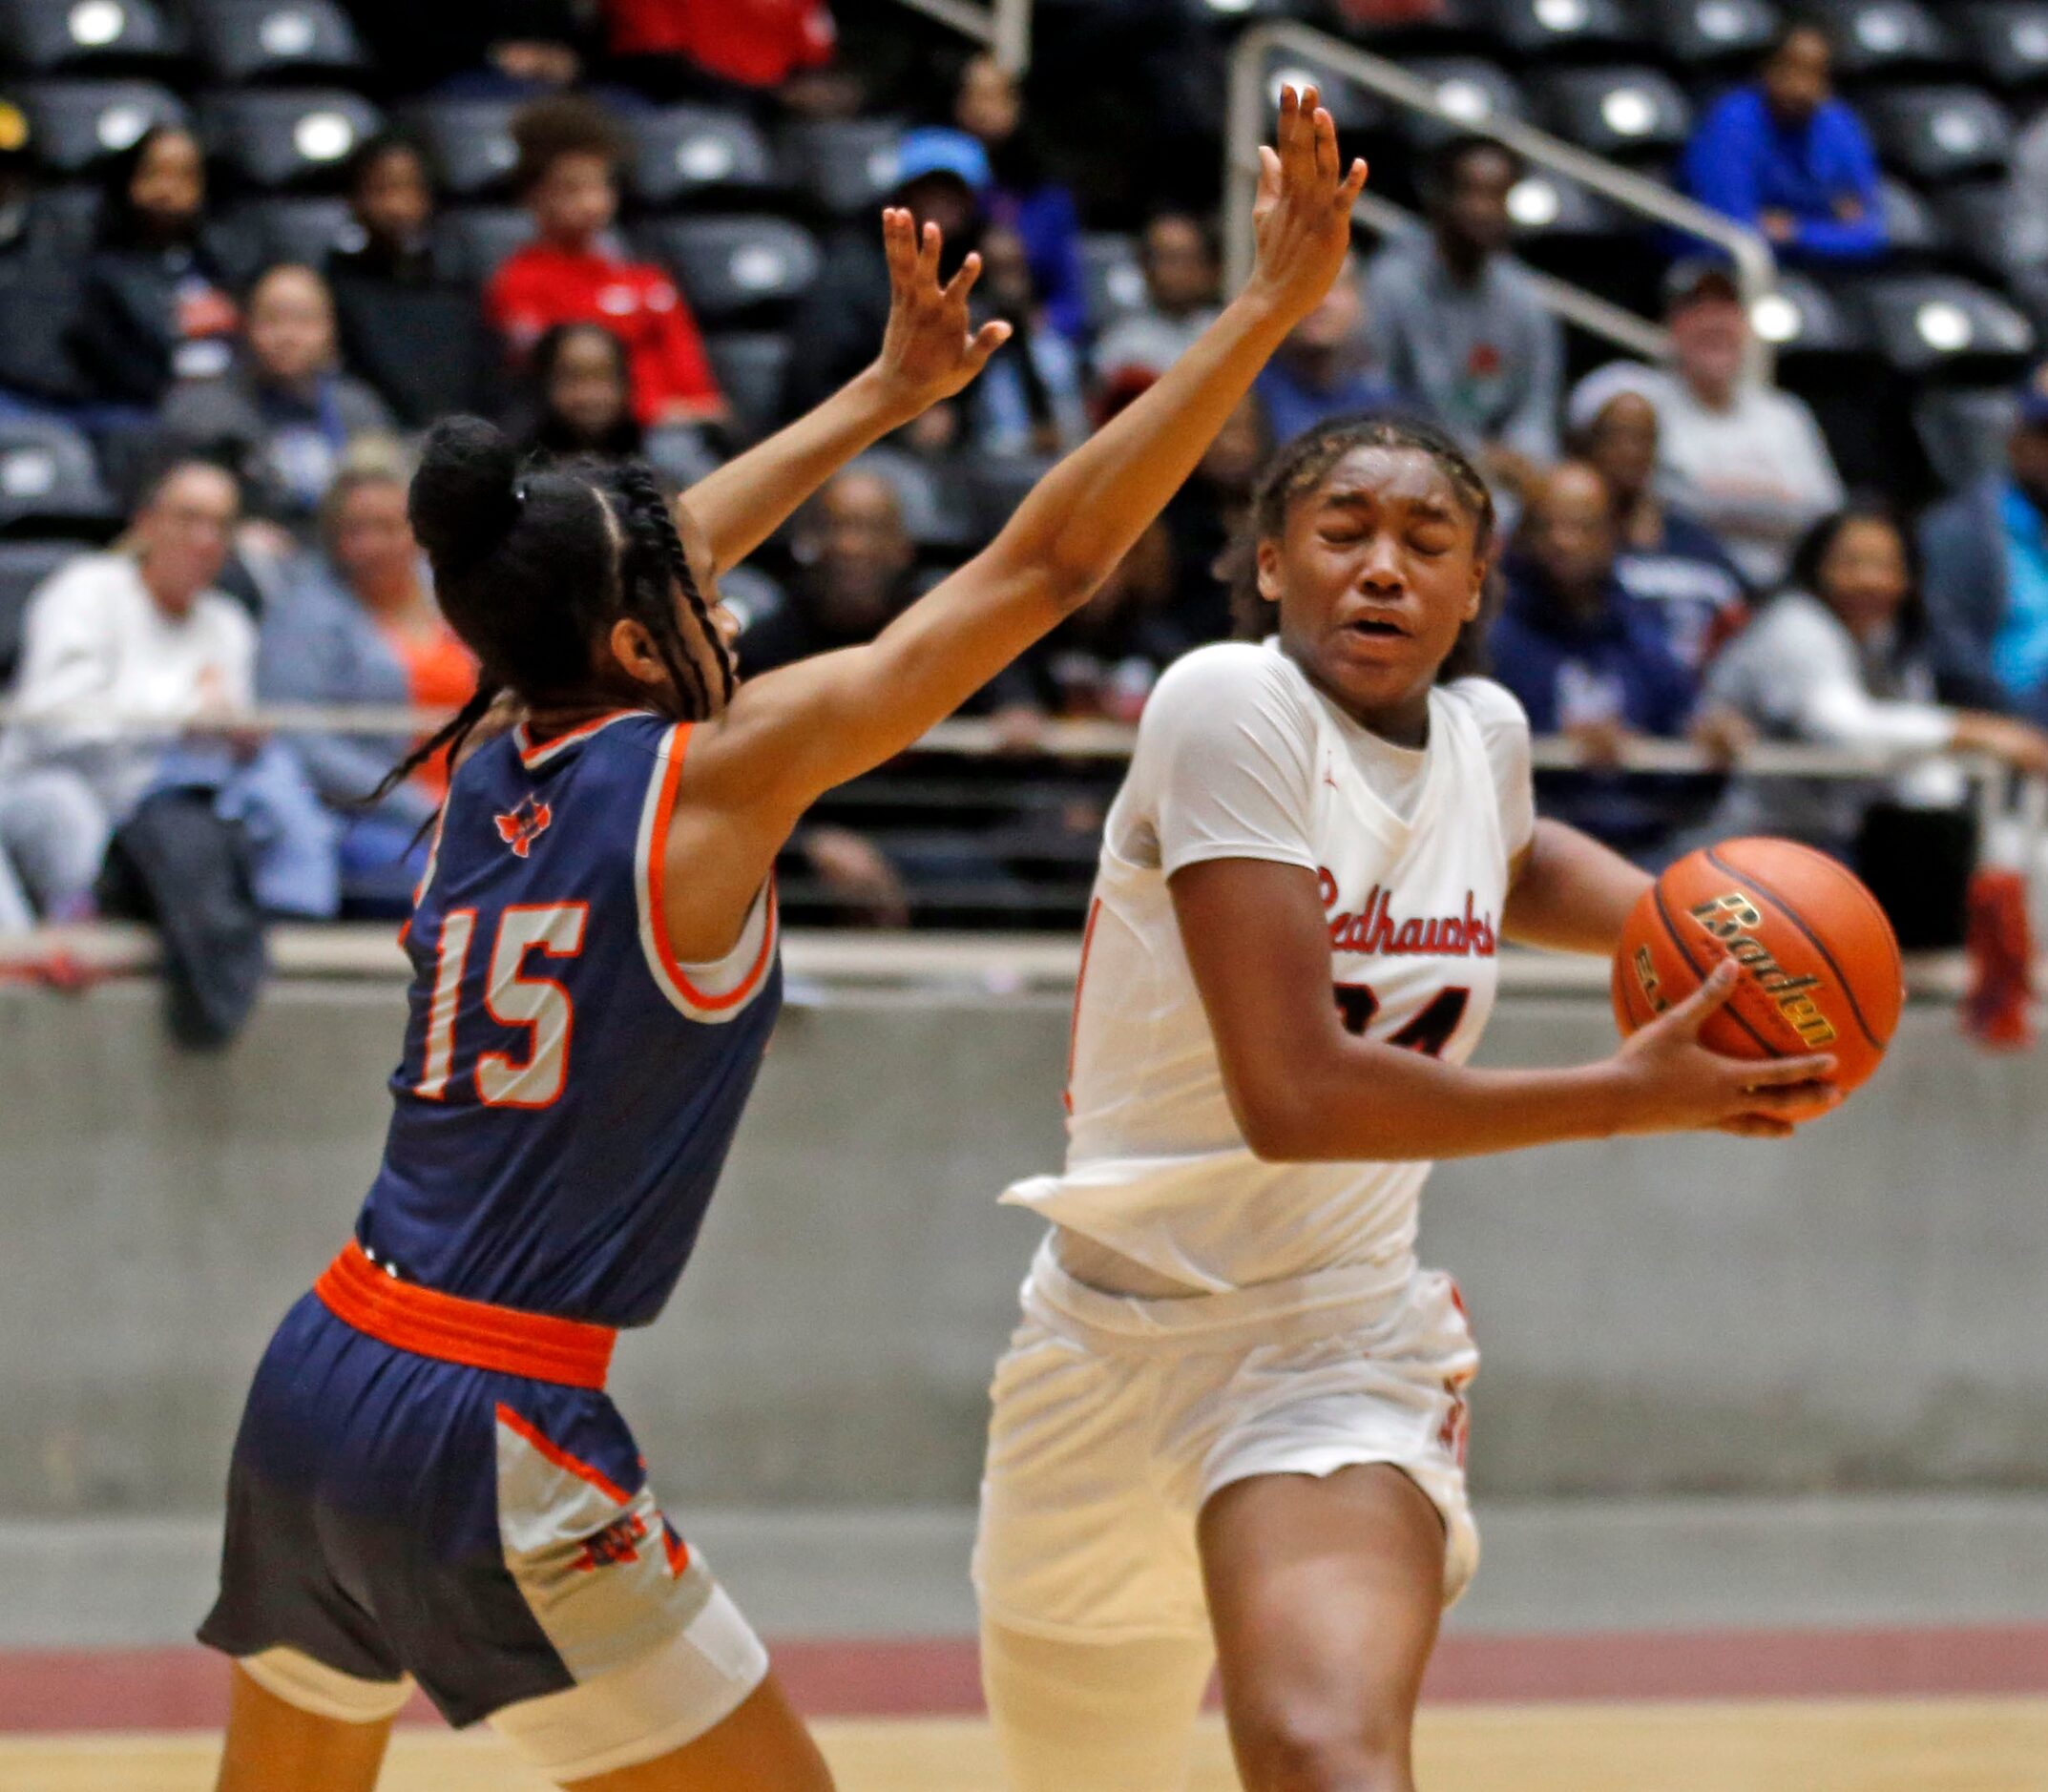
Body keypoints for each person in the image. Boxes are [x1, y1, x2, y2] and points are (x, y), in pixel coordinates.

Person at [197, 90, 1369, 1792]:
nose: (729, 603)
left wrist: (887, 395)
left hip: (322, 1367)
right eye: (692, 603)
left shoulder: (492, 740)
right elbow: (1041, 567)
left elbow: (652, 559)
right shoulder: (709, 780)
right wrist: (1262, 311)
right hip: (493, 1419)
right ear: (627, 637)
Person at [974, 406, 1841, 1792]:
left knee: (1325, 1753)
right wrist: (1627, 1092)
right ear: (1268, 565)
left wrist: (1733, 948)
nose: (1383, 566)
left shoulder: (1482, 734)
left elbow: (1503, 850)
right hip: (1096, 1348)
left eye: (1426, 541)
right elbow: (1297, 1096)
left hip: (1330, 1348)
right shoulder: (1226, 704)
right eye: (1343, 532)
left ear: (1474, 584)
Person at [1698, 502, 2048, 863]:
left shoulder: (1890, 640)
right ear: (1815, 566)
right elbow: (1844, 727)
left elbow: (1919, 762)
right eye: (1850, 563)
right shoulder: (1794, 625)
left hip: (1840, 842)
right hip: (1747, 843)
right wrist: (1977, 732)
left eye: (1886, 566)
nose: (1869, 580)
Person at [258, 455, 476, 913]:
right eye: (354, 530)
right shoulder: (304, 614)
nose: (370, 545)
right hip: (366, 816)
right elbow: (304, 742)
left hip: (480, 804)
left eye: (387, 527)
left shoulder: (460, 596)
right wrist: (423, 806)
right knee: (455, 885)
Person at [1572, 260, 1844, 589]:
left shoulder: (1785, 414)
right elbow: (1603, 478)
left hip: (1776, 591)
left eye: (1727, 309)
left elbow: (1826, 516)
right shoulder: (1630, 390)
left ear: (1745, 326)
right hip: (1668, 577)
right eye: (1697, 309)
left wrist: (1701, 498)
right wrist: (1772, 500)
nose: (1714, 323)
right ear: (1670, 324)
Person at [1489, 461, 1704, 862]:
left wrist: (1709, 738)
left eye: (1581, 526)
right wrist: (1558, 744)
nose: (1562, 541)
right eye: (1546, 526)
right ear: (1522, 535)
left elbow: (1680, 718)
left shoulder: (1643, 625)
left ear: (1613, 532)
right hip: (1528, 845)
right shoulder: (1490, 631)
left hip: (1646, 837)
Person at [486, 96, 724, 428]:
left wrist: (694, 411)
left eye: (600, 185)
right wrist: (652, 411)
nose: (591, 202)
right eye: (572, 189)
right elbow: (557, 388)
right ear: (533, 196)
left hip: (679, 432)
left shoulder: (647, 279)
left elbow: (699, 388)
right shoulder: (518, 282)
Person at [1366, 135, 1562, 493]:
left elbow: (1536, 407)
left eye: (1498, 195)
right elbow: (1372, 394)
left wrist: (1525, 458)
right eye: (1471, 193)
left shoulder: (1524, 297)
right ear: (1437, 198)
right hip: (1407, 463)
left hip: (1501, 480)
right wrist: (1472, 454)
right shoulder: (1391, 283)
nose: (1485, 210)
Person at [159, 264, 396, 527]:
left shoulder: (360, 411)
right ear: (245, 326)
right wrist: (239, 531)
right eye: (272, 319)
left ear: (331, 330)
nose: (288, 336)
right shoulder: (202, 411)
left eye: (303, 320)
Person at [783, 126, 989, 419]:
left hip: (955, 443)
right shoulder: (854, 266)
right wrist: (901, 417)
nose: (943, 205)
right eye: (930, 191)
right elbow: (813, 381)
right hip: (855, 434)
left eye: (956, 194)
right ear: (904, 194)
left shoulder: (977, 267)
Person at [69, 124, 253, 409]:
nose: (166, 190)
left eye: (184, 176)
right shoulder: (101, 271)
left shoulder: (230, 261)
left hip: (232, 406)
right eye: (153, 173)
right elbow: (107, 361)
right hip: (138, 411)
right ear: (129, 181)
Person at [325, 133, 497, 428]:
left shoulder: (458, 282)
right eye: (382, 189)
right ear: (354, 199)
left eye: (410, 189)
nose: (397, 207)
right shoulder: (336, 283)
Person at [1680, 23, 1887, 268]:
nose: (1800, 87)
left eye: (1814, 73)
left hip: (1814, 271)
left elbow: (1870, 234)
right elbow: (1732, 231)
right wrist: (1829, 228)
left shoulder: (1839, 125)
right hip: (1720, 271)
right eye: (1790, 69)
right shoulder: (1733, 122)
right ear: (1766, 69)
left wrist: (1795, 230)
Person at [1572, 384, 1748, 671]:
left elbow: (1741, 621)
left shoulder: (1696, 541)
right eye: (1616, 436)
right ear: (1585, 446)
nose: (1631, 451)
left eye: (1643, 438)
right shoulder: (1568, 544)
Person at [1917, 365, 2048, 727]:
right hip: (2006, 722)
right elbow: (1951, 651)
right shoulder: (1960, 530)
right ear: (2016, 440)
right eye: (2046, 435)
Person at [955, 52, 1087, 345]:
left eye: (994, 96)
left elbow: (1071, 301)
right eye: (973, 95)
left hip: (1024, 337)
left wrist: (1037, 320)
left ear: (1018, 105)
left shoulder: (1047, 195)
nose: (982, 109)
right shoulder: (934, 182)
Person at [1253, 251, 1410, 445]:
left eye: (1336, 285)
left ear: (1359, 299)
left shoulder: (1379, 399)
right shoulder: (1243, 396)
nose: (1321, 301)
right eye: (1303, 285)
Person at [968, 222, 1090, 458]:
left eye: (1015, 267)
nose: (1008, 281)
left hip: (1064, 462)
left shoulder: (1058, 343)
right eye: (998, 269)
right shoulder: (968, 349)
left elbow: (1082, 421)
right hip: (992, 473)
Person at [1093, 211, 1222, 385]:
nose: (1176, 271)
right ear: (1145, 266)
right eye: (1166, 259)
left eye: (1185, 258)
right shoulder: (1122, 344)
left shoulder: (1230, 333)